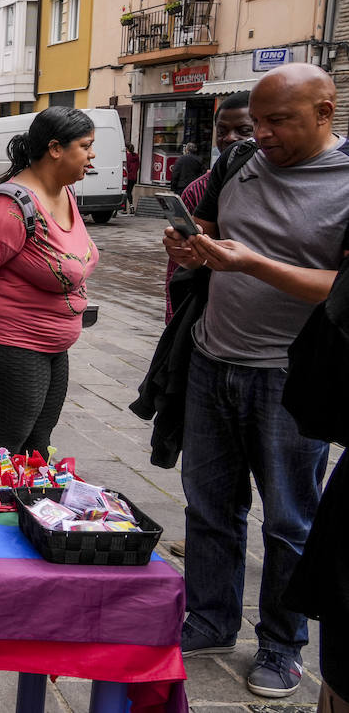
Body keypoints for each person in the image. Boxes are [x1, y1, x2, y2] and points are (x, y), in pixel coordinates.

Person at [163, 62, 349, 698]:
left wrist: (254, 264)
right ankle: (211, 618)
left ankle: (281, 644)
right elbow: (215, 230)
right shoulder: (239, 161)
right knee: (209, 505)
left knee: (290, 520)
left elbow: (342, 291)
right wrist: (195, 243)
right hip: (214, 357)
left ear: (325, 112)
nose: (262, 133)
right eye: (259, 121)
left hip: (290, 378)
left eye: (279, 121)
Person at [0, 108, 99, 457]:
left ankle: (23, 509)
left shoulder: (65, 195)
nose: (92, 155)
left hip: (51, 341)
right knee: (6, 443)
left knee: (37, 444)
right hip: (8, 339)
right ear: (56, 148)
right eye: (86, 145)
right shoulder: (11, 208)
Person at [163, 93, 255, 322]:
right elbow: (182, 266)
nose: (231, 139)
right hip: (210, 312)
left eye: (244, 131)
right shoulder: (198, 190)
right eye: (221, 132)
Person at [124, 143, 141, 214]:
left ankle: (125, 208)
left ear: (127, 149)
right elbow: (138, 167)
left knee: (125, 192)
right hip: (134, 177)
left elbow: (126, 166)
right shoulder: (136, 156)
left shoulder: (127, 156)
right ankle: (131, 206)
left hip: (128, 177)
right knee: (129, 192)